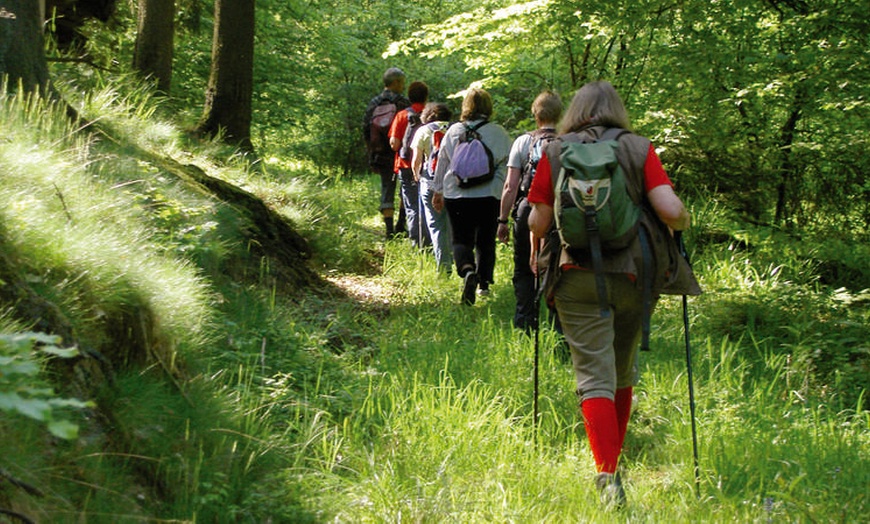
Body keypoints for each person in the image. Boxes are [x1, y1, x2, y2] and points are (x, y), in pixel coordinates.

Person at [527, 81, 701, 507]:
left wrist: (540, 244)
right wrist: (683, 224)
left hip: (575, 272)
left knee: (593, 374)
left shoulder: (555, 150)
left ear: (576, 111)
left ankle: (607, 473)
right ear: (617, 111)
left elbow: (537, 221)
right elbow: (672, 211)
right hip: (635, 277)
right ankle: (613, 459)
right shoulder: (639, 148)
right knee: (622, 370)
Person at [433, 88, 512, 305]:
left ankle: (467, 270)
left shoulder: (454, 131)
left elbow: (443, 161)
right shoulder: (499, 132)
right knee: (486, 240)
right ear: (489, 107)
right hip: (489, 194)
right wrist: (501, 189)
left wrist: (438, 190)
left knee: (460, 239)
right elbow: (508, 165)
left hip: (456, 194)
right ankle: (483, 285)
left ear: (465, 106)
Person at [498, 90, 562, 332]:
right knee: (558, 268)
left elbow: (510, 185)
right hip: (560, 212)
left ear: (536, 114)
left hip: (528, 209)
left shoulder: (523, 142)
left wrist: (502, 219)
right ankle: (559, 330)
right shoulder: (569, 141)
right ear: (560, 114)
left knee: (525, 268)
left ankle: (525, 322)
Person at [363, 67, 410, 239]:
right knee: (405, 188)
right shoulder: (403, 103)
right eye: (402, 82)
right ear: (396, 82)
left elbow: (366, 128)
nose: (403, 86)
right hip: (401, 154)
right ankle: (401, 225)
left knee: (387, 189)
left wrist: (372, 152)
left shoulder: (374, 102)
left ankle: (389, 232)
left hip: (381, 155)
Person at [411, 102, 454, 272]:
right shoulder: (455, 129)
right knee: (452, 224)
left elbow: (416, 160)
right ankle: (459, 263)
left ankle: (444, 268)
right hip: (453, 184)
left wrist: (416, 175)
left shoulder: (423, 131)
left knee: (436, 225)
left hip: (429, 182)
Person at [389, 81, 429, 246]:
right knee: (428, 205)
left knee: (412, 206)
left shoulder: (401, 116)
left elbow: (395, 144)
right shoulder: (431, 115)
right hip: (427, 166)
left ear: (409, 96)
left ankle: (418, 245)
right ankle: (431, 243)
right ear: (426, 97)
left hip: (405, 166)